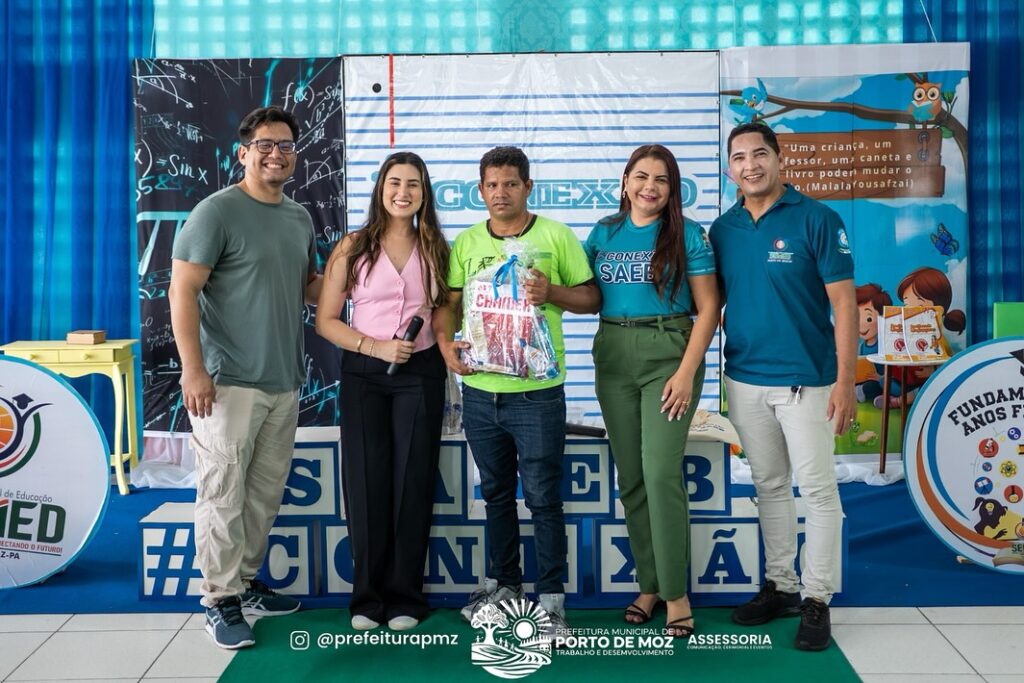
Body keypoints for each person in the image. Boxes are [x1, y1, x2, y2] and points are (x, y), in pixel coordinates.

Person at [169, 105, 321, 650]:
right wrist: (194, 370)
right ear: (244, 153)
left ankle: (246, 583)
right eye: (265, 145)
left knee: (262, 495)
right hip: (227, 382)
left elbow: (309, 288)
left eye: (286, 146)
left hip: (283, 380)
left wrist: (369, 274)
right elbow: (182, 290)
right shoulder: (216, 212)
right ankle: (219, 599)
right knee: (222, 494)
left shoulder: (299, 218)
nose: (276, 154)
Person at [433, 146, 600, 634]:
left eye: (510, 183)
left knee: (544, 497)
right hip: (480, 390)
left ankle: (551, 600)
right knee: (496, 494)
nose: (501, 193)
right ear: (480, 190)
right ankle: (504, 584)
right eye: (492, 185)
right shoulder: (467, 242)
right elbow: (448, 304)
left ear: (528, 187)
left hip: (537, 392)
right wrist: (445, 345)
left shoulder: (556, 236)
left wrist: (553, 293)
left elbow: (592, 298)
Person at [709, 122, 857, 652]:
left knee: (817, 490)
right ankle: (782, 586)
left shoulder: (818, 218)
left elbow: (844, 304)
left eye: (759, 154)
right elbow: (712, 304)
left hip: (807, 381)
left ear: (778, 158)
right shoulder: (722, 230)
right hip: (744, 380)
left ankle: (817, 598)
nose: (750, 165)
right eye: (739, 157)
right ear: (730, 168)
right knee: (769, 485)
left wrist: (845, 381)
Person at [585, 144, 719, 638]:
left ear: (672, 189)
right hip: (614, 355)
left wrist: (686, 372)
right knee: (633, 478)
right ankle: (650, 584)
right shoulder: (603, 232)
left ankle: (676, 593)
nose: (649, 187)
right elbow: (586, 294)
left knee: (661, 473)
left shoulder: (689, 234)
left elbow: (709, 309)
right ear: (625, 181)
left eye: (661, 179)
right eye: (641, 176)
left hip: (669, 354)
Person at [315, 152, 449, 632]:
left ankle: (405, 597)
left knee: (412, 482)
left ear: (424, 193)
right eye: (395, 182)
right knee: (366, 482)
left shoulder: (437, 248)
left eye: (413, 184)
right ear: (380, 188)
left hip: (422, 371)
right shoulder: (352, 246)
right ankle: (367, 600)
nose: (403, 193)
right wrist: (375, 348)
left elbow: (444, 313)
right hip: (364, 373)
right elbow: (326, 321)